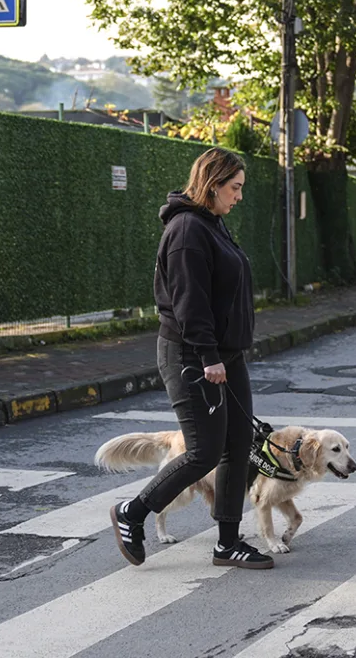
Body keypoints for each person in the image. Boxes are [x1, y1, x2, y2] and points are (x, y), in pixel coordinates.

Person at [109, 147, 274, 570]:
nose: (239, 196)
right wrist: (208, 356)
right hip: (193, 355)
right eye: (234, 187)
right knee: (204, 451)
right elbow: (189, 302)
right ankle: (132, 512)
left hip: (225, 355)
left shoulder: (212, 223)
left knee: (238, 446)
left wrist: (225, 352)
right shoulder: (186, 230)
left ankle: (228, 543)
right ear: (213, 184)